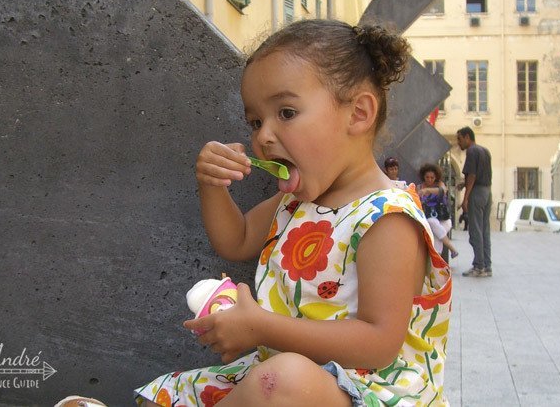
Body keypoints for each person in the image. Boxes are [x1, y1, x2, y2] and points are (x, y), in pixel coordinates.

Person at [130, 20, 452, 407]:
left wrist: (262, 327)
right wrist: (212, 185)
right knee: (173, 392)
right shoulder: (296, 203)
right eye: (255, 121)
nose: (263, 136)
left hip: (367, 390)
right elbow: (236, 240)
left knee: (280, 381)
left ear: (359, 113)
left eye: (285, 112)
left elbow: (378, 344)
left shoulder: (388, 218)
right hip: (286, 376)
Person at [456, 126, 492, 278]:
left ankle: (478, 266)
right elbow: (480, 174)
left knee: (475, 230)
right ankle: (487, 265)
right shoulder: (485, 151)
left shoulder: (471, 151)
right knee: (484, 230)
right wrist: (464, 184)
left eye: (459, 139)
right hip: (487, 191)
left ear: (467, 137)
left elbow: (472, 175)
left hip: (477, 193)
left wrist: (465, 198)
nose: (458, 143)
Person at [417, 163, 459, 259]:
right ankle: (438, 262)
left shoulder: (440, 184)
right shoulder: (419, 187)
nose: (430, 180)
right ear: (423, 176)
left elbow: (443, 190)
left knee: (433, 227)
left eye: (432, 177)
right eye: (427, 177)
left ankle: (450, 250)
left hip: (443, 219)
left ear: (436, 177)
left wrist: (428, 190)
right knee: (435, 234)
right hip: (428, 220)